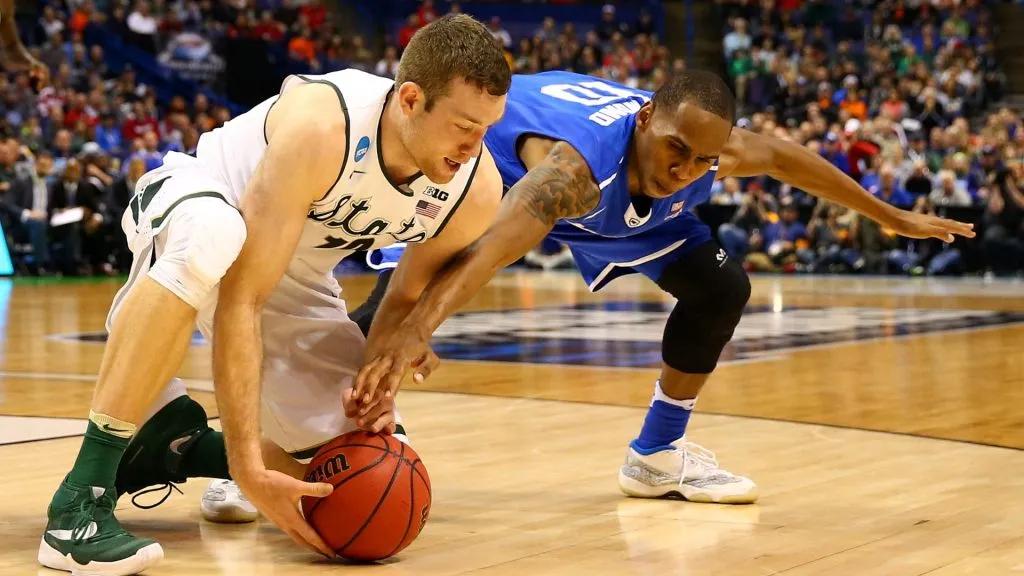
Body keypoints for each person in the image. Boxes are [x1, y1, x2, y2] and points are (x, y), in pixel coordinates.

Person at [347, 70, 975, 504]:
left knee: (722, 287)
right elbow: (493, 250)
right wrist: (417, 330)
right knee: (395, 307)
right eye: (675, 148)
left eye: (703, 160)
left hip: (620, 208)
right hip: (497, 177)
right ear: (646, 119)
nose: (685, 169)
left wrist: (892, 217)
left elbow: (786, 159)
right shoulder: (574, 169)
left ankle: (655, 457)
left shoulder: (703, 151)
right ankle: (277, 447)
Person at [39, 14, 509, 575]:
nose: (474, 146)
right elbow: (241, 296)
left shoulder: (475, 191)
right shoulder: (325, 125)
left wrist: (382, 373)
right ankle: (79, 502)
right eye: (463, 126)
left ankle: (173, 442)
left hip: (296, 276)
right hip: (200, 202)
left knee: (368, 468)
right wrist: (249, 466)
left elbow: (401, 298)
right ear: (410, 99)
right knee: (214, 239)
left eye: (487, 127)